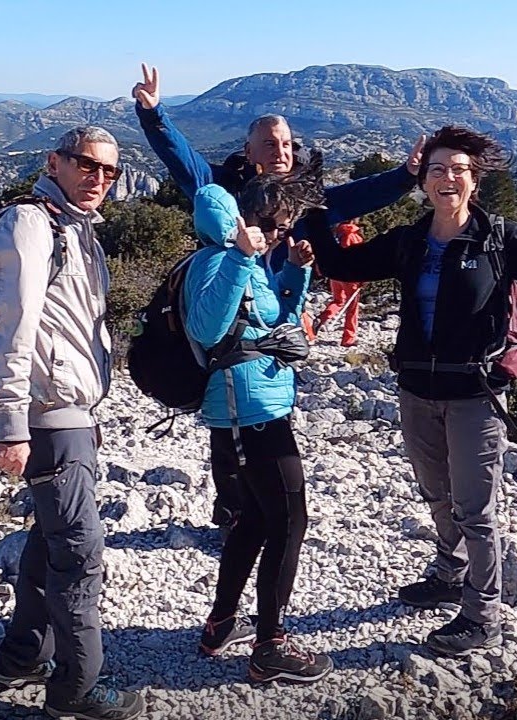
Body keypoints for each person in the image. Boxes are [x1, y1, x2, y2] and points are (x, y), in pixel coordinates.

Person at [305, 125, 517, 657]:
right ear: (422, 180)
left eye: (458, 170)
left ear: (474, 181)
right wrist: (313, 215)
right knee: (436, 494)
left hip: (475, 396)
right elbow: (342, 265)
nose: (447, 178)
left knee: (475, 509)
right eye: (437, 169)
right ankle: (448, 571)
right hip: (417, 389)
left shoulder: (500, 239)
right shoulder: (409, 240)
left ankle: (481, 614)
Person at [132, 61, 424, 536]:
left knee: (269, 414)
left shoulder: (303, 201)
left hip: (274, 326)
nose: (281, 150)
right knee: (228, 420)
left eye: (287, 142)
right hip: (227, 325)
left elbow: (356, 197)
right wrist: (154, 114)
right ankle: (233, 514)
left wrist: (406, 176)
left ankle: (263, 510)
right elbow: (182, 160)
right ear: (247, 152)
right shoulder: (225, 193)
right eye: (269, 142)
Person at [0, 126, 145, 720]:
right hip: (48, 416)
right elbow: (12, 322)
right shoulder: (31, 224)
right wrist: (8, 422)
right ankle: (78, 688)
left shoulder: (74, 228)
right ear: (55, 162)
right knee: (79, 551)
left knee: (49, 540)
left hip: (68, 413)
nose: (98, 178)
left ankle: (21, 655)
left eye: (110, 170)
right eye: (87, 164)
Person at [184, 171, 333, 683]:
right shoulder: (215, 261)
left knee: (254, 520)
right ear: (241, 219)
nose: (276, 233)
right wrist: (244, 257)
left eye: (282, 226)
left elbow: (273, 324)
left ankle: (221, 624)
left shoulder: (240, 261)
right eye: (270, 223)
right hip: (247, 414)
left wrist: (294, 273)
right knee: (290, 521)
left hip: (257, 406)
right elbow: (206, 328)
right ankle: (270, 644)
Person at [314, 218, 367, 346]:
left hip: (334, 274)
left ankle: (321, 319)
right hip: (349, 277)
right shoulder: (352, 235)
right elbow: (358, 259)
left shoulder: (336, 234)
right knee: (352, 307)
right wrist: (363, 277)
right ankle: (348, 338)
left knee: (338, 301)